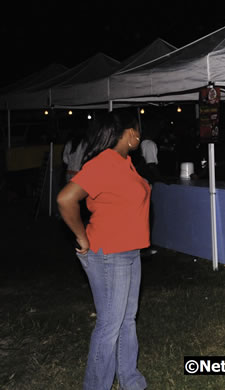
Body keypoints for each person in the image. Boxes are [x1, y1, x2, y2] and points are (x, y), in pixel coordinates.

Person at [56, 110, 149, 390]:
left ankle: (131, 380)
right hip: (110, 254)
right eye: (138, 130)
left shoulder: (125, 163)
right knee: (110, 324)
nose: (140, 136)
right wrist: (82, 239)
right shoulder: (104, 162)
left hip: (130, 252)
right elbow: (65, 199)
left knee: (127, 320)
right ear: (129, 133)